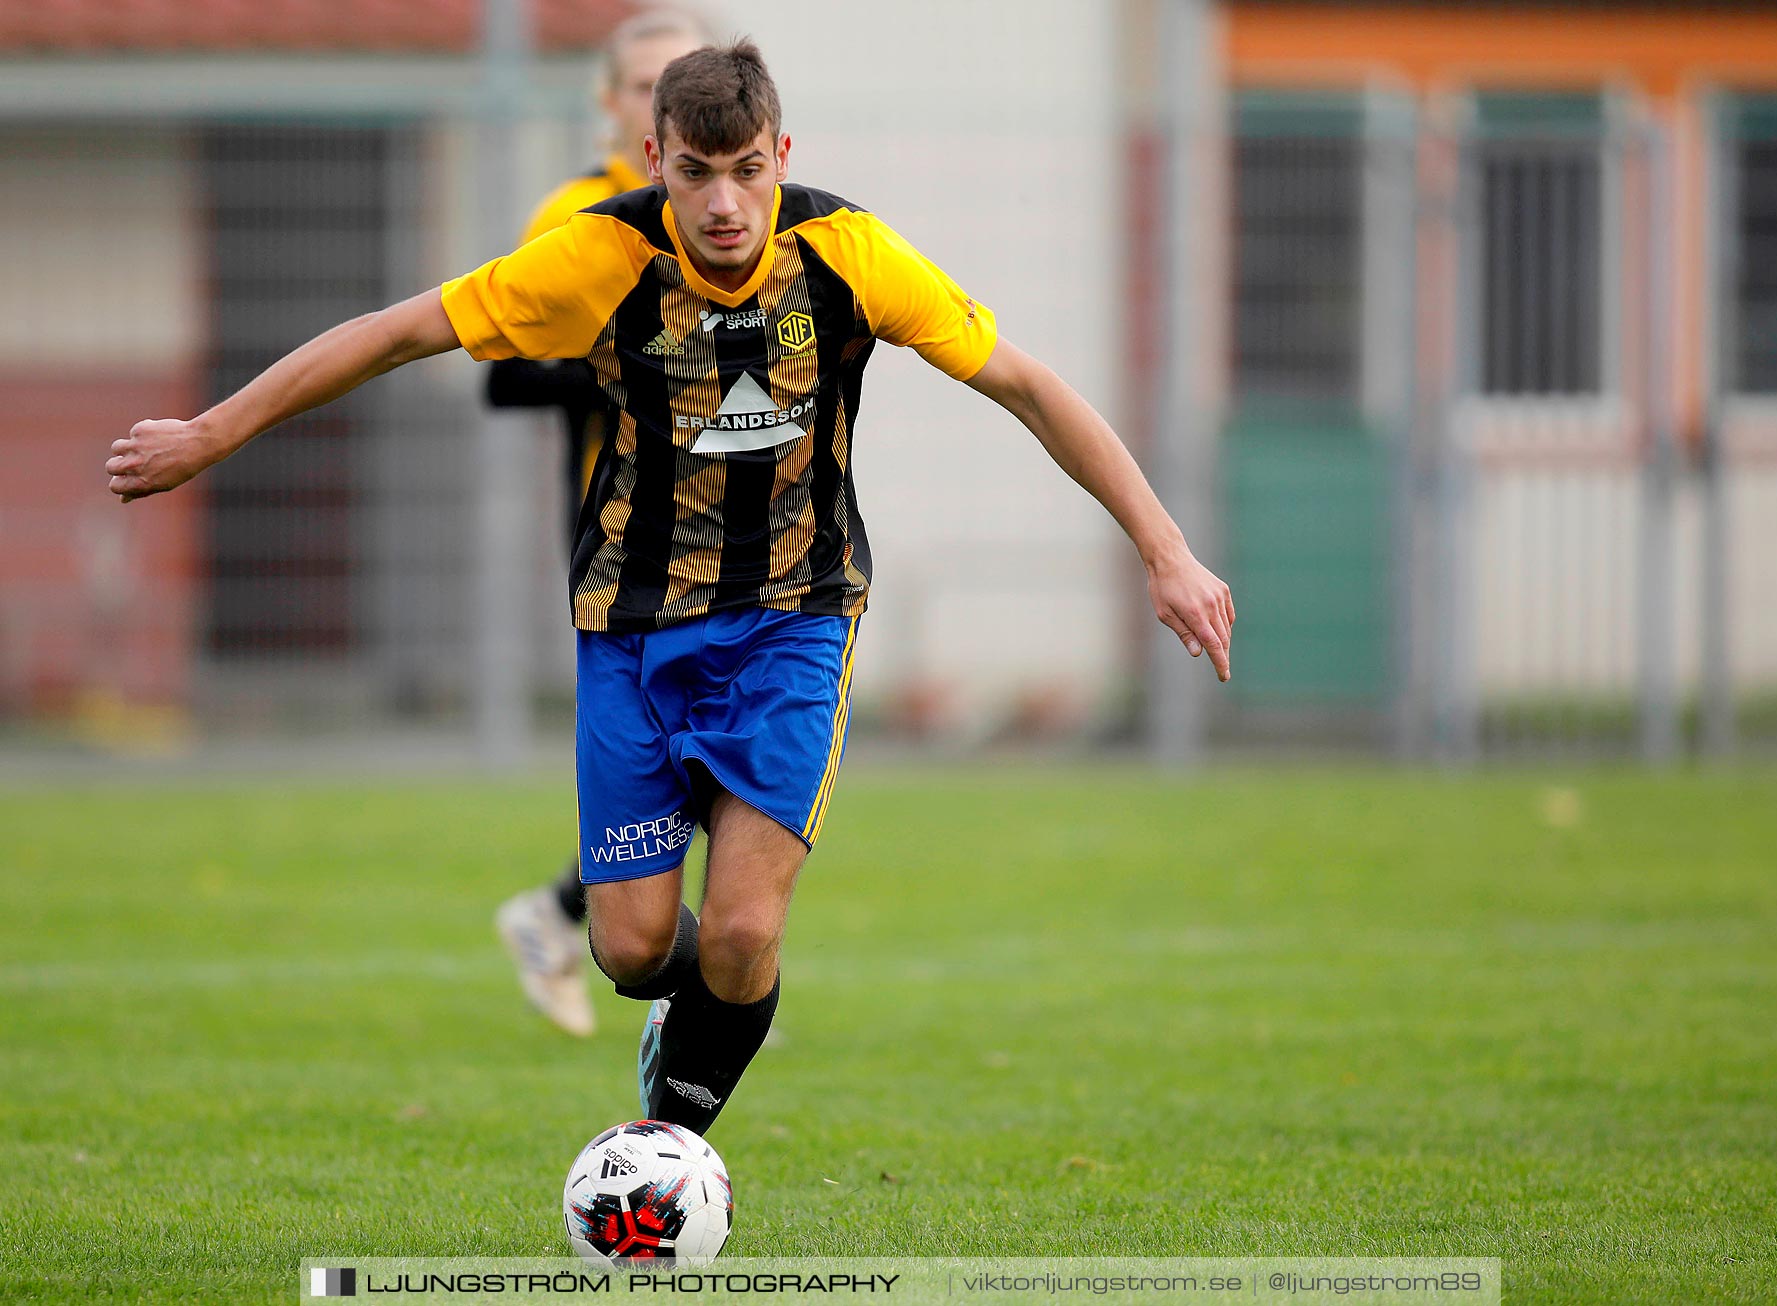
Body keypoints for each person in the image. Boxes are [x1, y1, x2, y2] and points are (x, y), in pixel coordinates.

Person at [105, 39, 1235, 1137]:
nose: (726, 202)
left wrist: (1165, 548)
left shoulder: (851, 255)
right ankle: (695, 1016)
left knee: (743, 931)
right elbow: (398, 333)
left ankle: (670, 1147)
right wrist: (213, 431)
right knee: (631, 947)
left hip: (796, 619)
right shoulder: (595, 259)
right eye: (696, 172)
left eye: (747, 169)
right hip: (632, 627)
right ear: (656, 160)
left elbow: (1027, 384)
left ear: (781, 153)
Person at [489, 7, 709, 1041]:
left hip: (749, 536)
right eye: (643, 83)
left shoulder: (735, 209)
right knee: (695, 760)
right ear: (612, 104)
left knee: (733, 756)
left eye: (684, 76)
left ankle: (572, 918)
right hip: (627, 536)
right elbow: (506, 375)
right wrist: (630, 357)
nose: (662, 98)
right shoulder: (579, 215)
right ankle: (639, 955)